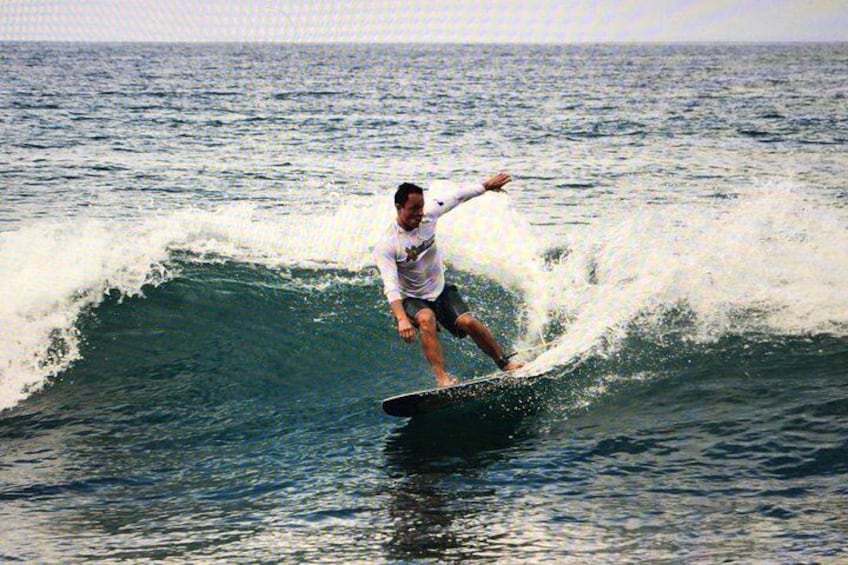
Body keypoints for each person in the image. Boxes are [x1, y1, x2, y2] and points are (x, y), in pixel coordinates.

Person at [374, 172, 525, 388]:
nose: (419, 213)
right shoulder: (388, 244)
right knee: (426, 318)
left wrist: (485, 186)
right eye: (413, 209)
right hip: (412, 298)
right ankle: (442, 378)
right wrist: (401, 319)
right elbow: (391, 286)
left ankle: (504, 363)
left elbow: (457, 197)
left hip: (439, 291)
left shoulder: (429, 216)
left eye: (421, 207)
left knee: (468, 322)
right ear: (399, 208)